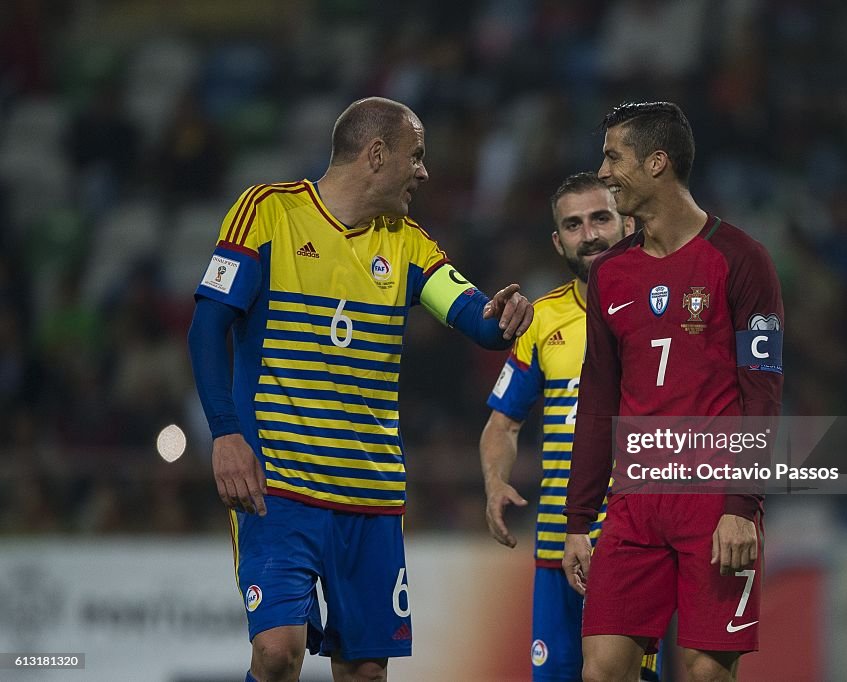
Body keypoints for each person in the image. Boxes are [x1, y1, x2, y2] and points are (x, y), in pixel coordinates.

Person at [187, 97, 533, 682]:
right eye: (415, 156)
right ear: (377, 155)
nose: (424, 172)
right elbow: (206, 329)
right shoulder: (267, 211)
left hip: (369, 495)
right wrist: (224, 433)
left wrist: (501, 317)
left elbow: (473, 315)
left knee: (365, 671)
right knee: (277, 653)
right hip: (278, 486)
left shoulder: (408, 243)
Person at [562, 102, 784, 682]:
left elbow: (763, 396)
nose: (603, 171)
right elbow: (598, 401)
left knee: (705, 672)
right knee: (602, 670)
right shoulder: (611, 273)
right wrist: (577, 520)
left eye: (613, 156)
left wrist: (742, 507)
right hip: (634, 504)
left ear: (657, 163)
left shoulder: (741, 260)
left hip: (714, 504)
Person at [479, 172, 658, 682]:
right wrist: (494, 482)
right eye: (574, 225)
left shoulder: (661, 309)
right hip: (559, 546)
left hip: (633, 544)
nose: (591, 235)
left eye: (601, 218)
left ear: (627, 221)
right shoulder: (541, 319)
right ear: (558, 241)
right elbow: (502, 424)